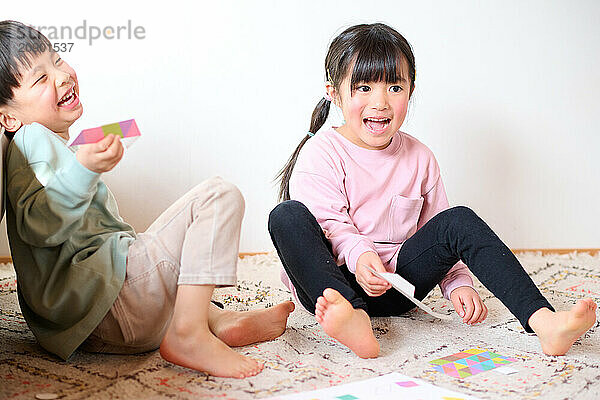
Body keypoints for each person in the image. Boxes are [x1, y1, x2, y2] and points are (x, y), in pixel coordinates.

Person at [268, 22, 596, 359]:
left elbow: (438, 229)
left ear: (411, 89)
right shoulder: (321, 153)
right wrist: (360, 256)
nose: (380, 102)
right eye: (363, 87)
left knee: (459, 219)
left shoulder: (419, 157)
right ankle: (354, 320)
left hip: (397, 288)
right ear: (334, 93)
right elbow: (331, 223)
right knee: (286, 215)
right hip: (329, 288)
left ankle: (545, 323)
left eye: (394, 87)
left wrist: (458, 283)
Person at [0, 20, 294, 379]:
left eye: (58, 60)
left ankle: (217, 321)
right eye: (40, 78)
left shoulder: (55, 143)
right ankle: (190, 334)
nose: (61, 76)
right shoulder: (32, 139)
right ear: (9, 117)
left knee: (162, 254)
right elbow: (39, 225)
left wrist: (84, 161)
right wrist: (83, 169)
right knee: (220, 196)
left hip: (96, 325)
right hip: (108, 302)